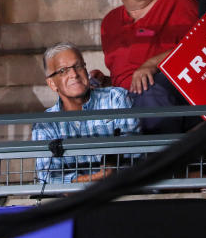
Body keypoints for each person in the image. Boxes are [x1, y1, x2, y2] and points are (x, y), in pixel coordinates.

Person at [100, 0, 199, 133]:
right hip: (123, 105)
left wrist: (153, 63)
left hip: (168, 97)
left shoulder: (179, 2)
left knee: (150, 90)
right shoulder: (109, 22)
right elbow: (123, 73)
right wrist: (104, 81)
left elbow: (203, 46)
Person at [31, 43, 138, 184]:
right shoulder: (45, 124)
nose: (74, 74)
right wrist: (98, 177)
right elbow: (48, 178)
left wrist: (82, 181)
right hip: (78, 202)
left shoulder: (116, 98)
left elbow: (135, 155)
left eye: (78, 66)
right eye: (63, 70)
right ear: (52, 84)